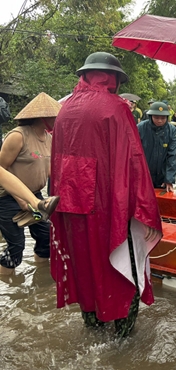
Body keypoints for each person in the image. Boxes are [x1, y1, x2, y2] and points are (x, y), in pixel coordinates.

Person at [49, 52, 162, 337]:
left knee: (83, 267)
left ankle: (93, 328)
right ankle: (124, 341)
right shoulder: (115, 107)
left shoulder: (64, 109)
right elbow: (133, 160)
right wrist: (145, 210)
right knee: (124, 266)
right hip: (109, 206)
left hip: (70, 207)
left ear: (85, 74)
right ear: (112, 78)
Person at [0, 92, 61, 275]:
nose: (57, 119)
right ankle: (7, 282)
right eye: (54, 116)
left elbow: (49, 170)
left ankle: (40, 278)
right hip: (8, 198)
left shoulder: (49, 139)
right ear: (43, 117)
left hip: (35, 196)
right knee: (16, 246)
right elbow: (1, 168)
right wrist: (19, 198)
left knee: (46, 238)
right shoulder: (18, 136)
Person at [137, 101, 176, 191]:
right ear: (151, 116)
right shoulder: (140, 128)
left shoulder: (172, 130)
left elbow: (172, 156)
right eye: (156, 117)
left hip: (161, 176)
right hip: (142, 174)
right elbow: (134, 154)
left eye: (163, 118)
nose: (160, 120)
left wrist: (169, 179)